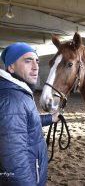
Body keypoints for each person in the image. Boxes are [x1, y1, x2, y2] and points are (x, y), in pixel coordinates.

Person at [0, 42, 60, 186]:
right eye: (28, 61)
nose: (36, 66)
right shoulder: (13, 100)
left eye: (37, 61)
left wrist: (50, 118)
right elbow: (15, 162)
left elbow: (24, 122)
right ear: (11, 67)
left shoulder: (17, 93)